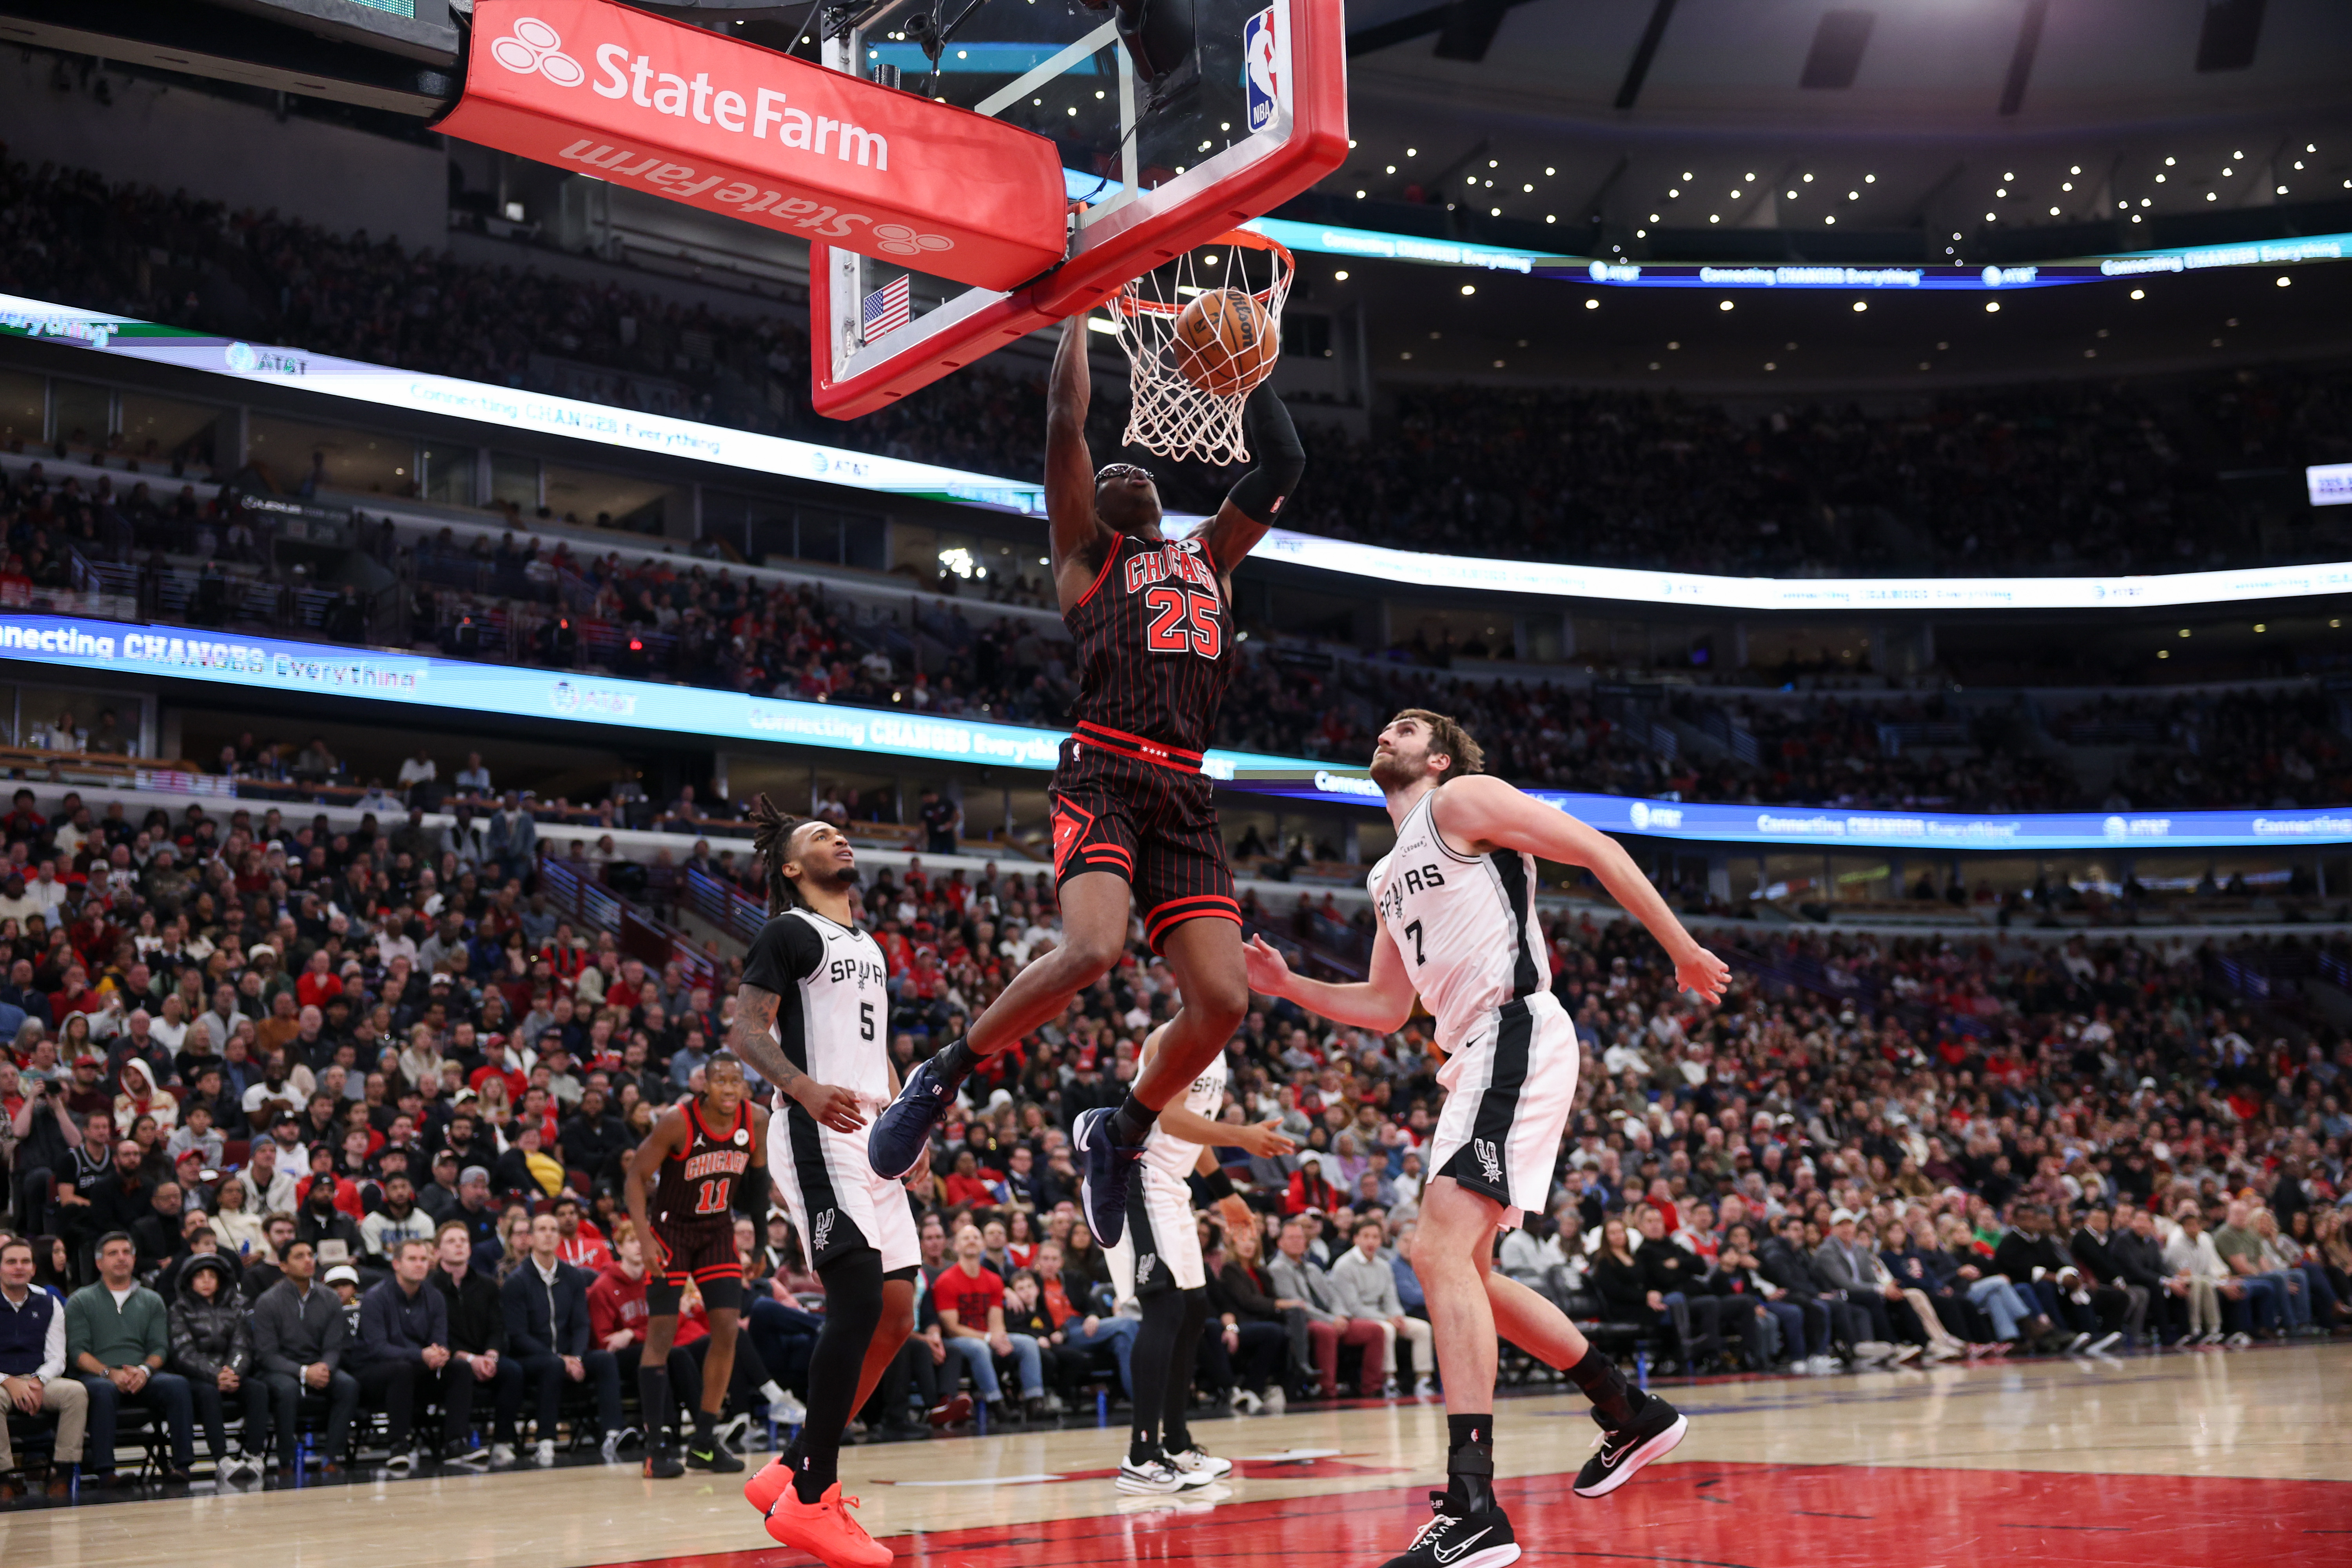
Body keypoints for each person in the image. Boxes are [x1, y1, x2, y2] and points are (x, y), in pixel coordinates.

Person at [1244, 710, 1730, 1567]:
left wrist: (1682, 947)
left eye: (1406, 728)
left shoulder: (1463, 799)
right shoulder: (1387, 869)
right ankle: (1626, 1408)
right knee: (1464, 1268)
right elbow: (1387, 1007)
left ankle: (1473, 1505)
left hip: (1514, 1030)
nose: (1385, 733)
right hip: (1469, 1052)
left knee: (1435, 1254)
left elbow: (1597, 848)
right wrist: (1291, 987)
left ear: (1436, 756)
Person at [866, 312, 1306, 1255]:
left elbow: (1283, 463)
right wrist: (1077, 310)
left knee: (1224, 1004)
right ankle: (942, 1075)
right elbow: (1067, 425)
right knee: (1094, 949)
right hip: (1104, 767)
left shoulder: (1211, 555)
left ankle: (1124, 1127)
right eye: (1106, 478)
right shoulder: (1086, 560)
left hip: (1184, 791)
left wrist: (1245, 368)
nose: (1121, 472)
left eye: (1133, 470)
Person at [725, 804, 916, 1568]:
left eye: (839, 831)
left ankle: (791, 1461)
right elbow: (745, 1029)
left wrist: (909, 1121)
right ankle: (812, 1497)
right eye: (816, 837)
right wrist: (801, 1088)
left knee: (897, 1314)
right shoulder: (788, 931)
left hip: (875, 1132)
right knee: (858, 1299)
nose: (838, 836)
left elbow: (873, 1047)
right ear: (793, 870)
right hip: (816, 1125)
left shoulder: (866, 942)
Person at [1105, 1021, 1289, 1494]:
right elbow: (1169, 1118)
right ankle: (1140, 1456)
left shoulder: (1217, 1045)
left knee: (1193, 1311)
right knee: (1165, 1308)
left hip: (1173, 1185)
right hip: (1137, 1178)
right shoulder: (1175, 1035)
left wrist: (1225, 1193)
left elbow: (1194, 1133)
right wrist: (1243, 1136)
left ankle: (1176, 1443)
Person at [624, 1050, 767, 1477]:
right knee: (662, 1334)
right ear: (704, 1084)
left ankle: (703, 1441)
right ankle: (655, 1448)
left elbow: (758, 1185)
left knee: (727, 1328)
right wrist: (644, 1237)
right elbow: (635, 1176)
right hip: (671, 1230)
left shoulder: (756, 1119)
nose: (729, 1088)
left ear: (744, 1086)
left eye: (736, 1081)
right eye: (720, 1080)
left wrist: (758, 1244)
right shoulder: (677, 1121)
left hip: (718, 1230)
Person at [68, 1230, 196, 1483]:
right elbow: (77, 1352)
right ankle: (106, 1472)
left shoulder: (152, 1299)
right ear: (99, 1263)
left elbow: (160, 1348)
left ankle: (182, 1467)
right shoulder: (81, 1300)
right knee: (103, 1391)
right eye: (113, 1253)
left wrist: (144, 1371)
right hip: (99, 1375)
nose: (121, 1258)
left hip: (141, 1374)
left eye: (127, 1252)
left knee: (178, 1385)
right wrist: (110, 1373)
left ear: (135, 1260)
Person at [500, 1212, 625, 1466]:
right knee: (553, 1366)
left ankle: (613, 1433)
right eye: (542, 1229)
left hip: (571, 1355)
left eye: (553, 1230)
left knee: (603, 1359)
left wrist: (577, 1358)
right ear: (531, 1238)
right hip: (532, 1358)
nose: (548, 1234)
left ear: (559, 1237)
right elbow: (517, 1335)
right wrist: (560, 1359)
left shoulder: (573, 1276)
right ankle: (545, 1439)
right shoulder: (517, 1281)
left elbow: (581, 1324)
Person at [249, 1238, 358, 1472]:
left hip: (318, 1365)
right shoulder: (268, 1301)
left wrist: (324, 1368)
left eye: (311, 1255)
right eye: (299, 1257)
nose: (308, 1260)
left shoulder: (330, 1298)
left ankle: (332, 1456)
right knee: (287, 1389)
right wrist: (303, 1372)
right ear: (284, 1266)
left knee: (348, 1385)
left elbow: (333, 1346)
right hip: (279, 1368)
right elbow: (266, 1354)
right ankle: (286, 1460)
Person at [356, 1237, 453, 1472]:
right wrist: (422, 1355)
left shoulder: (435, 1297)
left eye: (424, 1259)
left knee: (459, 1368)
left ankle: (456, 1442)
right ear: (397, 1264)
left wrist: (440, 1353)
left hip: (416, 1368)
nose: (420, 1264)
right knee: (402, 1369)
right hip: (374, 1371)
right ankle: (398, 1445)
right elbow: (377, 1348)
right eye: (412, 1259)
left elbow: (440, 1339)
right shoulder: (375, 1297)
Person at [165, 1252, 266, 1479]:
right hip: (196, 1377)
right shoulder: (179, 1310)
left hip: (230, 1373)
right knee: (208, 1393)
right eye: (200, 1276)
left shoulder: (236, 1307)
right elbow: (184, 1353)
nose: (207, 1281)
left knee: (258, 1389)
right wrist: (216, 1375)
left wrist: (234, 1371)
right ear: (190, 1281)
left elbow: (242, 1346)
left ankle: (254, 1455)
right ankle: (222, 1459)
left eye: (212, 1275)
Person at [1, 1234, 87, 1495]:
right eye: (11, 1261)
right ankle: (4, 1478)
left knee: (76, 1393)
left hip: (37, 1379)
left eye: (25, 1262)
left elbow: (57, 1357)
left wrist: (38, 1381)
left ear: (34, 1269)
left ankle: (62, 1474)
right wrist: (8, 1381)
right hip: (2, 1382)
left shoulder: (49, 1302)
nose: (19, 1267)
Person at [430, 1218, 523, 1463]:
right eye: (451, 1241)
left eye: (464, 1241)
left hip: (485, 1356)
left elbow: (497, 1326)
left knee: (512, 1371)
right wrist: (469, 1358)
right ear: (438, 1251)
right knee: (459, 1370)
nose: (459, 1246)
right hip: (450, 1359)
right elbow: (436, 1334)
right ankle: (456, 1443)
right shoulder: (430, 1288)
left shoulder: (487, 1285)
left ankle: (503, 1442)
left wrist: (491, 1355)